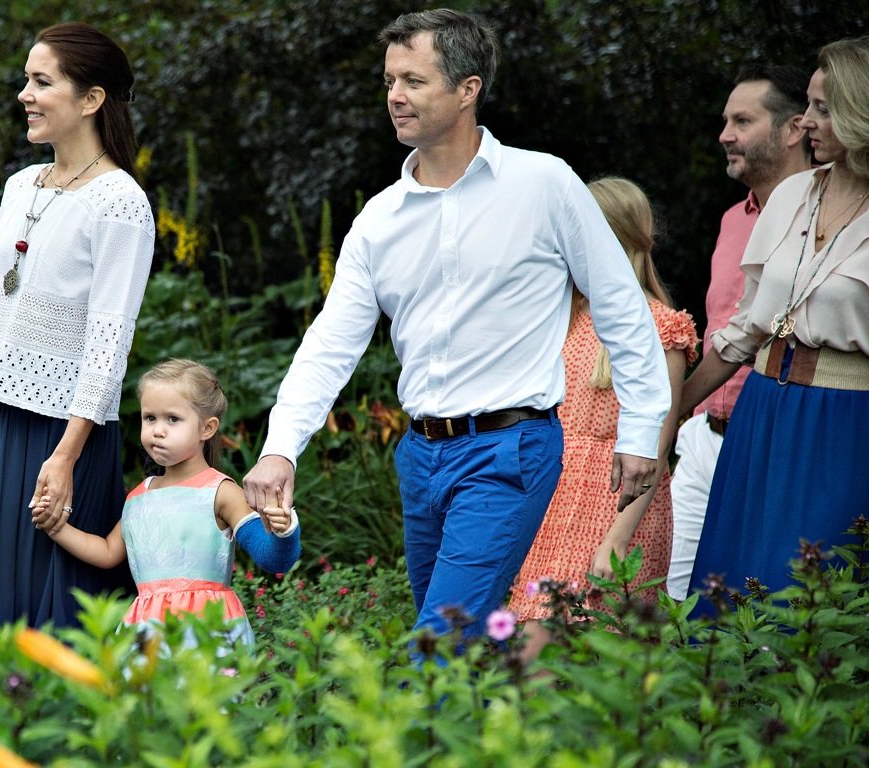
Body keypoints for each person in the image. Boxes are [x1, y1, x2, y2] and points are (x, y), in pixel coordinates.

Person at [243, 9, 672, 641]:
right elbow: (330, 344)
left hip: (510, 448)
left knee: (438, 641)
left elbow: (620, 307)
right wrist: (281, 447)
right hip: (419, 456)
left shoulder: (543, 184)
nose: (395, 96)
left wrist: (640, 431)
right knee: (457, 648)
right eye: (389, 81)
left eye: (413, 81)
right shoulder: (380, 218)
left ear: (468, 89)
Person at [0, 22, 155, 641]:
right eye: (27, 79)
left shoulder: (121, 203)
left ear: (91, 98)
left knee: (51, 617)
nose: (25, 94)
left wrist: (65, 457)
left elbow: (108, 345)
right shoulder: (21, 186)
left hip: (66, 436)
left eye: (42, 82)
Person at [679, 36, 869, 611]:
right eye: (807, 104)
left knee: (808, 596)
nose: (805, 121)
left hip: (844, 422)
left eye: (822, 108)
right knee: (732, 587)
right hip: (762, 409)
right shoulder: (791, 196)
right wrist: (669, 411)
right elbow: (742, 330)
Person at [509, 178, 698, 660]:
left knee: (607, 656)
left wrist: (617, 540)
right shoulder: (564, 315)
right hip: (552, 494)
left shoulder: (660, 326)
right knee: (532, 651)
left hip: (617, 501)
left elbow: (657, 447)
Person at [667, 65, 812, 601]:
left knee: (767, 600)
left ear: (794, 128)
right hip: (704, 435)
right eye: (726, 121)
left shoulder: (830, 217)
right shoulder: (733, 219)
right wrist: (678, 415)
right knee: (675, 598)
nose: (725, 135)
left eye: (743, 121)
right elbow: (724, 333)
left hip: (778, 439)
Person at [32, 360, 301, 648]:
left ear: (207, 428)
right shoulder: (139, 497)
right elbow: (108, 552)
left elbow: (272, 560)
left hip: (207, 630)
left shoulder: (220, 492)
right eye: (150, 418)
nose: (158, 430)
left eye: (172, 419)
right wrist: (57, 527)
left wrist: (283, 531)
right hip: (148, 632)